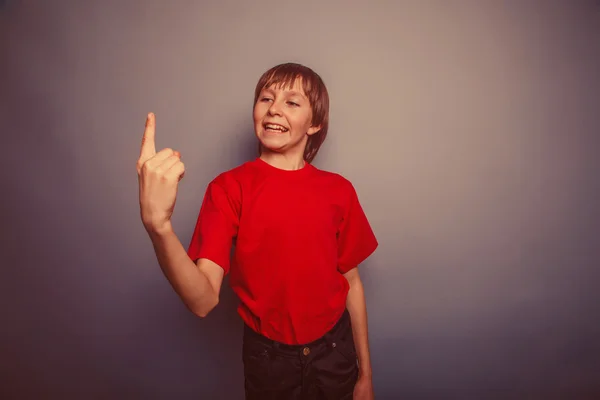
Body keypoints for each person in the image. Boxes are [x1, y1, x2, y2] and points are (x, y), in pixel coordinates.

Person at [137, 63, 378, 399]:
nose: (274, 109)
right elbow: (203, 300)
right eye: (266, 98)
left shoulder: (339, 191)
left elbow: (351, 282)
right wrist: (159, 227)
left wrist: (365, 375)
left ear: (316, 122)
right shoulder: (228, 189)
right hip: (269, 361)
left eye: (292, 102)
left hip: (335, 351)